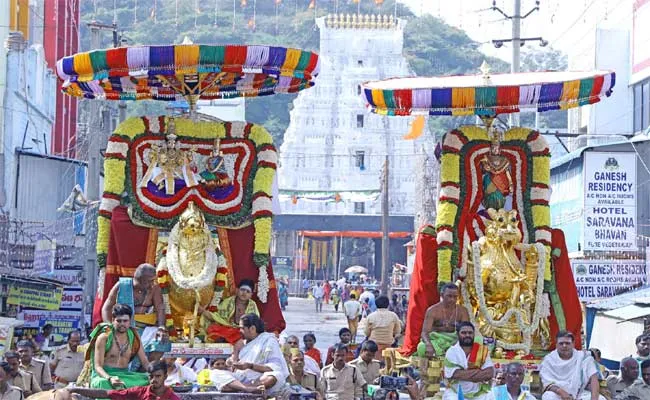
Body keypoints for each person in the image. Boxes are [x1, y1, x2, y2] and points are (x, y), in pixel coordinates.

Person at [209, 313, 289, 395]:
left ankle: (237, 387)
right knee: (215, 373)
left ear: (252, 328)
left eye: (242, 328)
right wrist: (231, 361)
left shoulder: (269, 341)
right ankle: (247, 389)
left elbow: (274, 368)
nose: (240, 331)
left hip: (259, 379)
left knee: (275, 376)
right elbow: (232, 361)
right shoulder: (242, 343)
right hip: (241, 380)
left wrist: (249, 366)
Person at [88, 303, 150, 389]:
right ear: (113, 320)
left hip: (125, 375)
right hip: (104, 376)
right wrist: (110, 378)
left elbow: (145, 362)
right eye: (119, 321)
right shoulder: (104, 337)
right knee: (103, 383)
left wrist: (154, 373)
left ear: (130, 321)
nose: (122, 324)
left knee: (148, 381)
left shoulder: (134, 336)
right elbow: (98, 367)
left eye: (125, 321)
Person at [101, 264, 165, 346]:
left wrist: (161, 327)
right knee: (104, 338)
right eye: (150, 281)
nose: (152, 284)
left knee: (162, 340)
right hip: (122, 327)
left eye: (153, 280)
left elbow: (160, 308)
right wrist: (110, 326)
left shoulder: (155, 288)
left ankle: (150, 359)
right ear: (141, 280)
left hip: (146, 330)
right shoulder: (121, 286)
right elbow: (106, 308)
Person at [199, 279, 259, 361]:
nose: (244, 293)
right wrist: (203, 311)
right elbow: (217, 316)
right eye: (242, 290)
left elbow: (255, 323)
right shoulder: (228, 302)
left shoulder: (253, 305)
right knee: (213, 328)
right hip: (227, 329)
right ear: (237, 290)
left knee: (243, 334)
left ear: (251, 295)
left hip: (243, 332)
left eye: (248, 291)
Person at [60, 360, 180, 400]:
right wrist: (75, 389)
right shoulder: (140, 392)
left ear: (165, 376)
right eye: (151, 376)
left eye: (158, 376)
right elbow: (106, 393)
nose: (154, 380)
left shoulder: (173, 398)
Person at [540, 330, 603, 400]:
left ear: (573, 344)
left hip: (579, 394)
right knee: (548, 396)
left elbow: (594, 379)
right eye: (561, 343)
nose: (564, 346)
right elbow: (547, 383)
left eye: (567, 343)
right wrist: (562, 393)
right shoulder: (549, 360)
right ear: (556, 345)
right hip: (557, 394)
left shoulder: (584, 358)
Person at [443, 321, 494, 400]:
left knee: (492, 397)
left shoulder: (481, 350)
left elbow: (489, 372)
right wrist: (478, 372)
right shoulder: (452, 351)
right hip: (456, 392)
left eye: (470, 333)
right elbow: (454, 374)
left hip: (478, 392)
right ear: (458, 334)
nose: (467, 335)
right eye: (464, 333)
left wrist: (464, 374)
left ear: (474, 334)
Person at [418, 283, 470, 358]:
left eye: (455, 297)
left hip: (456, 340)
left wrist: (455, 345)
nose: (452, 299)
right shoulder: (432, 310)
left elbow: (466, 331)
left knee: (476, 341)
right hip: (437, 341)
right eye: (449, 296)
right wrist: (428, 345)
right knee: (422, 348)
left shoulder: (462, 311)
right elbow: (425, 332)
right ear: (442, 295)